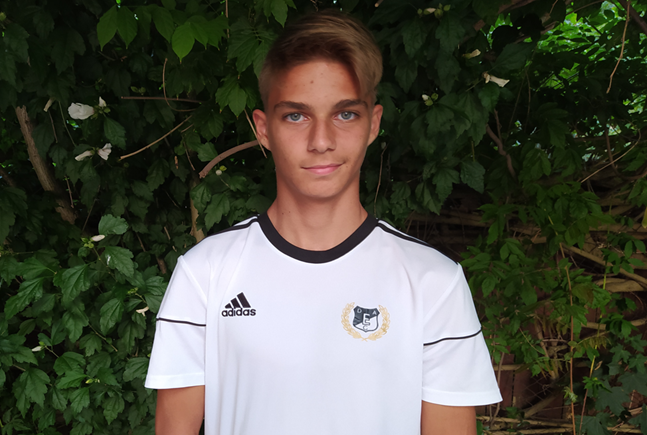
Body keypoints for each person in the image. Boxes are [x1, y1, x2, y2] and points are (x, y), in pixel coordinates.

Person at [145, 9, 502, 435]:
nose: (321, 141)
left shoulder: (434, 282)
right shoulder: (204, 273)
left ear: (373, 123)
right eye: (296, 115)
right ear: (263, 129)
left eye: (345, 114)